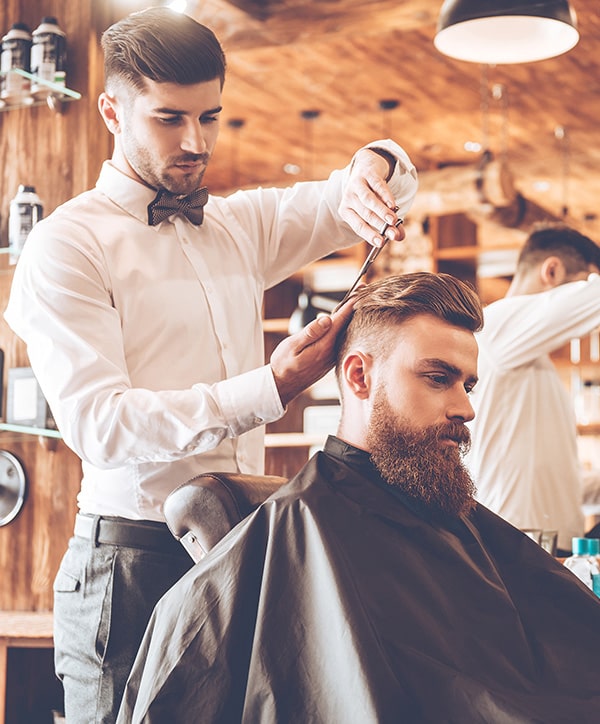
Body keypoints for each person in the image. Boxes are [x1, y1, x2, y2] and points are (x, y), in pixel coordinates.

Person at [3, 7, 418, 723]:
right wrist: (273, 387)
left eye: (210, 117)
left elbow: (374, 180)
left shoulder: (237, 225)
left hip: (238, 549)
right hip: (128, 566)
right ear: (110, 110)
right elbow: (101, 426)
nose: (195, 142)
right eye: (169, 119)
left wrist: (369, 169)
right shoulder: (66, 247)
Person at [118, 272, 600, 724]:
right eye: (437, 378)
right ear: (359, 377)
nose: (466, 408)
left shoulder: (446, 510)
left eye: (467, 385)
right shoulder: (297, 526)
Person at [465, 223, 600, 554]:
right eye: (585, 284)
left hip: (550, 547)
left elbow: (547, 474)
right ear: (551, 271)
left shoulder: (532, 361)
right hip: (513, 544)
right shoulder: (496, 327)